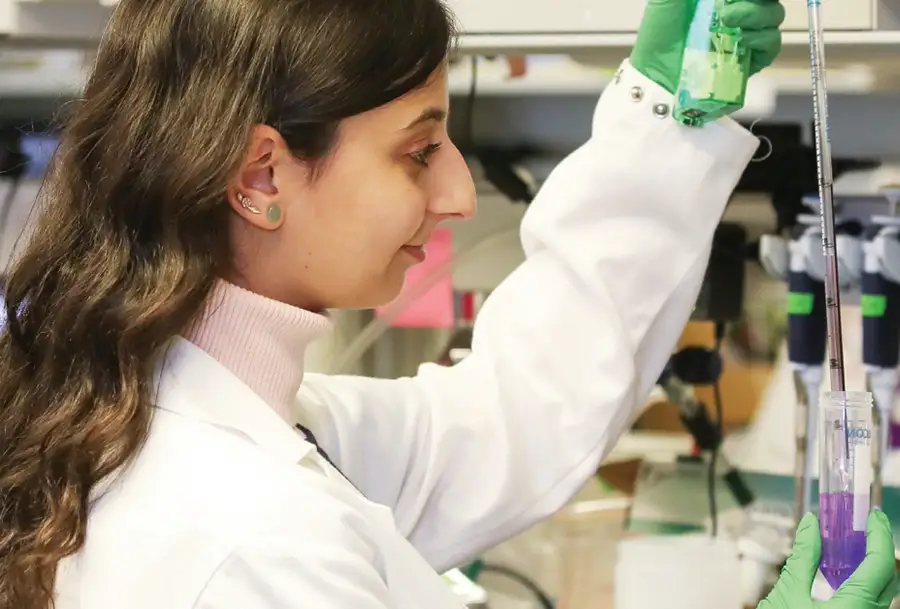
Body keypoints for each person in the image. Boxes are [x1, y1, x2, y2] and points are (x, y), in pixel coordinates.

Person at [0, 0, 893, 608]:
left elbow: (509, 413)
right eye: (418, 151)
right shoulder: (248, 537)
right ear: (262, 175)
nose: (460, 193)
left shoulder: (198, 421)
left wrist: (675, 108)